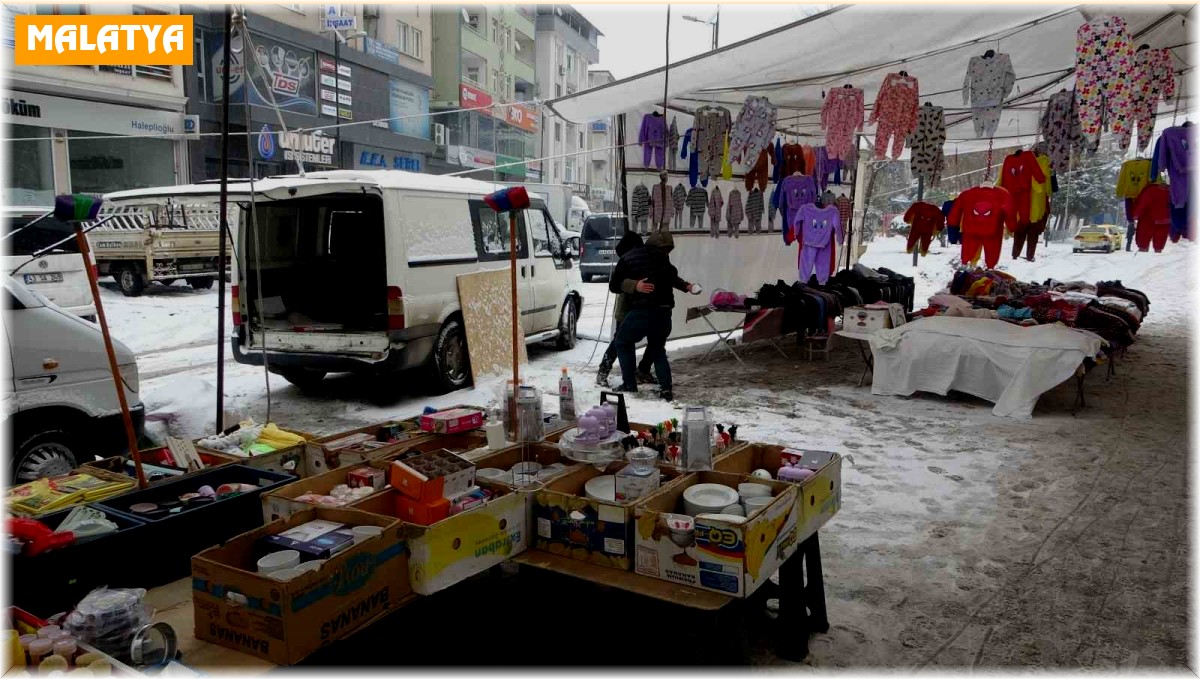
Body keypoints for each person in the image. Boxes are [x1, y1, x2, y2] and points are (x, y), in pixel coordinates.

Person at [609, 230, 700, 401]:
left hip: (642, 312)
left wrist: (635, 286)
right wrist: (687, 286)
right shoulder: (663, 258)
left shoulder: (628, 258)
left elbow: (614, 286)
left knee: (622, 341)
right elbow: (673, 278)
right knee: (658, 349)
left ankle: (629, 384)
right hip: (664, 312)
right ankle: (666, 389)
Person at [596, 230, 654, 387]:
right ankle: (604, 370)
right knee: (620, 340)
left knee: (625, 340)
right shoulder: (630, 259)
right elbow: (614, 285)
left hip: (639, 305)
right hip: (628, 305)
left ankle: (630, 372)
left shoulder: (636, 257)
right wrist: (634, 285)